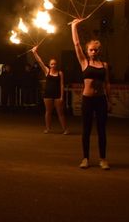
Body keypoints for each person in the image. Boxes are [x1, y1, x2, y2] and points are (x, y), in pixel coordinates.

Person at [71, 18, 111, 170]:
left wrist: (110, 100)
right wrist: (74, 26)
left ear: (99, 51)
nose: (93, 51)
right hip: (87, 100)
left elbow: (107, 83)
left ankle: (103, 159)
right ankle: (85, 158)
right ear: (87, 51)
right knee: (86, 130)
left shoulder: (104, 65)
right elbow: (76, 44)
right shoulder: (84, 62)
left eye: (96, 49)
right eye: (91, 49)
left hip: (101, 100)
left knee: (101, 130)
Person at [31, 46, 68, 135]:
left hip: (57, 94)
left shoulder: (60, 73)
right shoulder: (47, 71)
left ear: (57, 64)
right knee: (48, 112)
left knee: (60, 113)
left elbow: (62, 85)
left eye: (55, 64)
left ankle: (65, 129)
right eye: (52, 64)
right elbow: (40, 62)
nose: (53, 65)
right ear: (49, 64)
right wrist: (34, 52)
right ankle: (48, 128)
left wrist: (62, 96)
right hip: (47, 94)